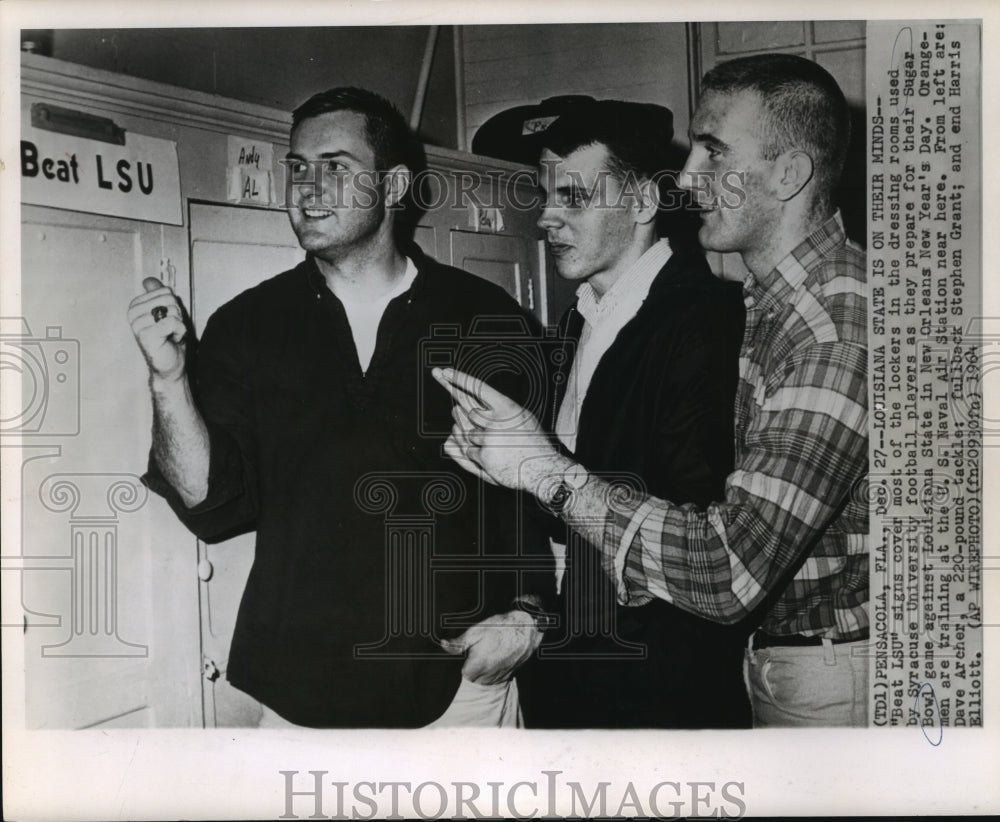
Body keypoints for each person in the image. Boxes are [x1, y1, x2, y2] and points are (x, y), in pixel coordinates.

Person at [435, 53, 869, 727]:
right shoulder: (756, 306)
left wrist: (541, 469)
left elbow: (722, 568)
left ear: (789, 174)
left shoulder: (820, 325)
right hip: (759, 668)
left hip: (759, 682)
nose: (689, 177)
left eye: (713, 152)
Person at [128, 87, 553, 728]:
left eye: (336, 166)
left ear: (395, 185)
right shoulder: (249, 324)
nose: (308, 187)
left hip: (457, 689)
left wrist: (529, 613)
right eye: (297, 167)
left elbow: (538, 498)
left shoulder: (488, 318)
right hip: (301, 695)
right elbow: (209, 506)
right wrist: (169, 380)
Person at [511, 100, 750, 728]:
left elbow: (696, 528)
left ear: (643, 203)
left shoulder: (706, 320)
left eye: (574, 196)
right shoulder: (576, 322)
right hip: (573, 671)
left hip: (657, 692)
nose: (546, 216)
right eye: (545, 194)